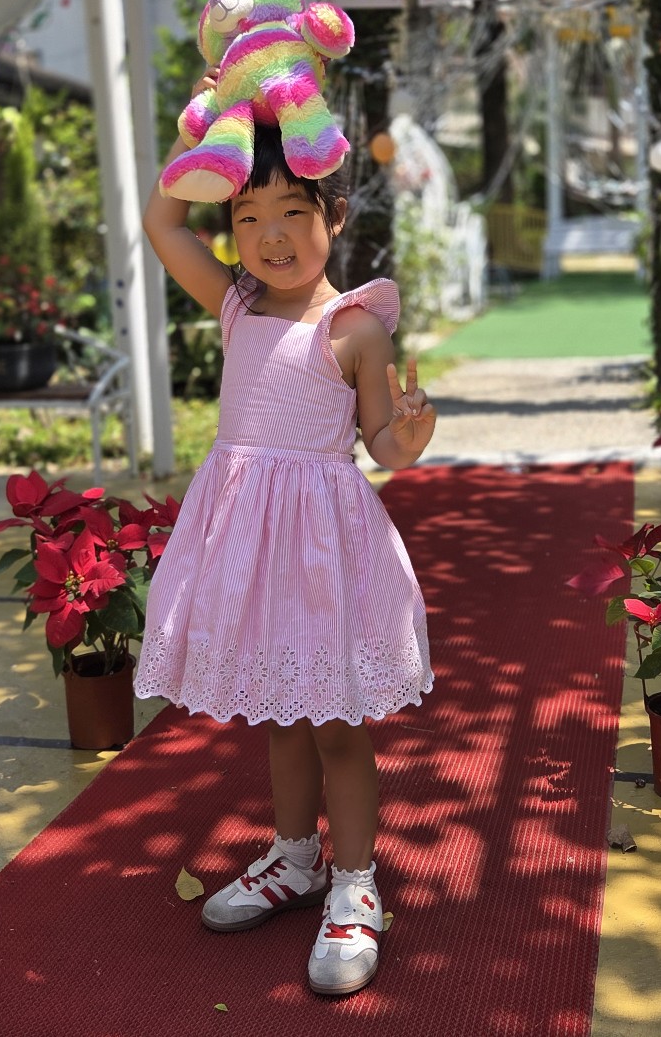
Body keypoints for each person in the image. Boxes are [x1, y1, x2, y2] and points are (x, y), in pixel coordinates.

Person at [135, 72, 436, 998]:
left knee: (337, 722)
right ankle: (296, 857)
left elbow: (383, 445)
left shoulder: (354, 328)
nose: (270, 234)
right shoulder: (236, 305)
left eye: (293, 212)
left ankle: (355, 883)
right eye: (248, 215)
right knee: (281, 714)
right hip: (249, 547)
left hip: (321, 552)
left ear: (334, 216)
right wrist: (203, 129)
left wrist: (410, 436)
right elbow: (162, 223)